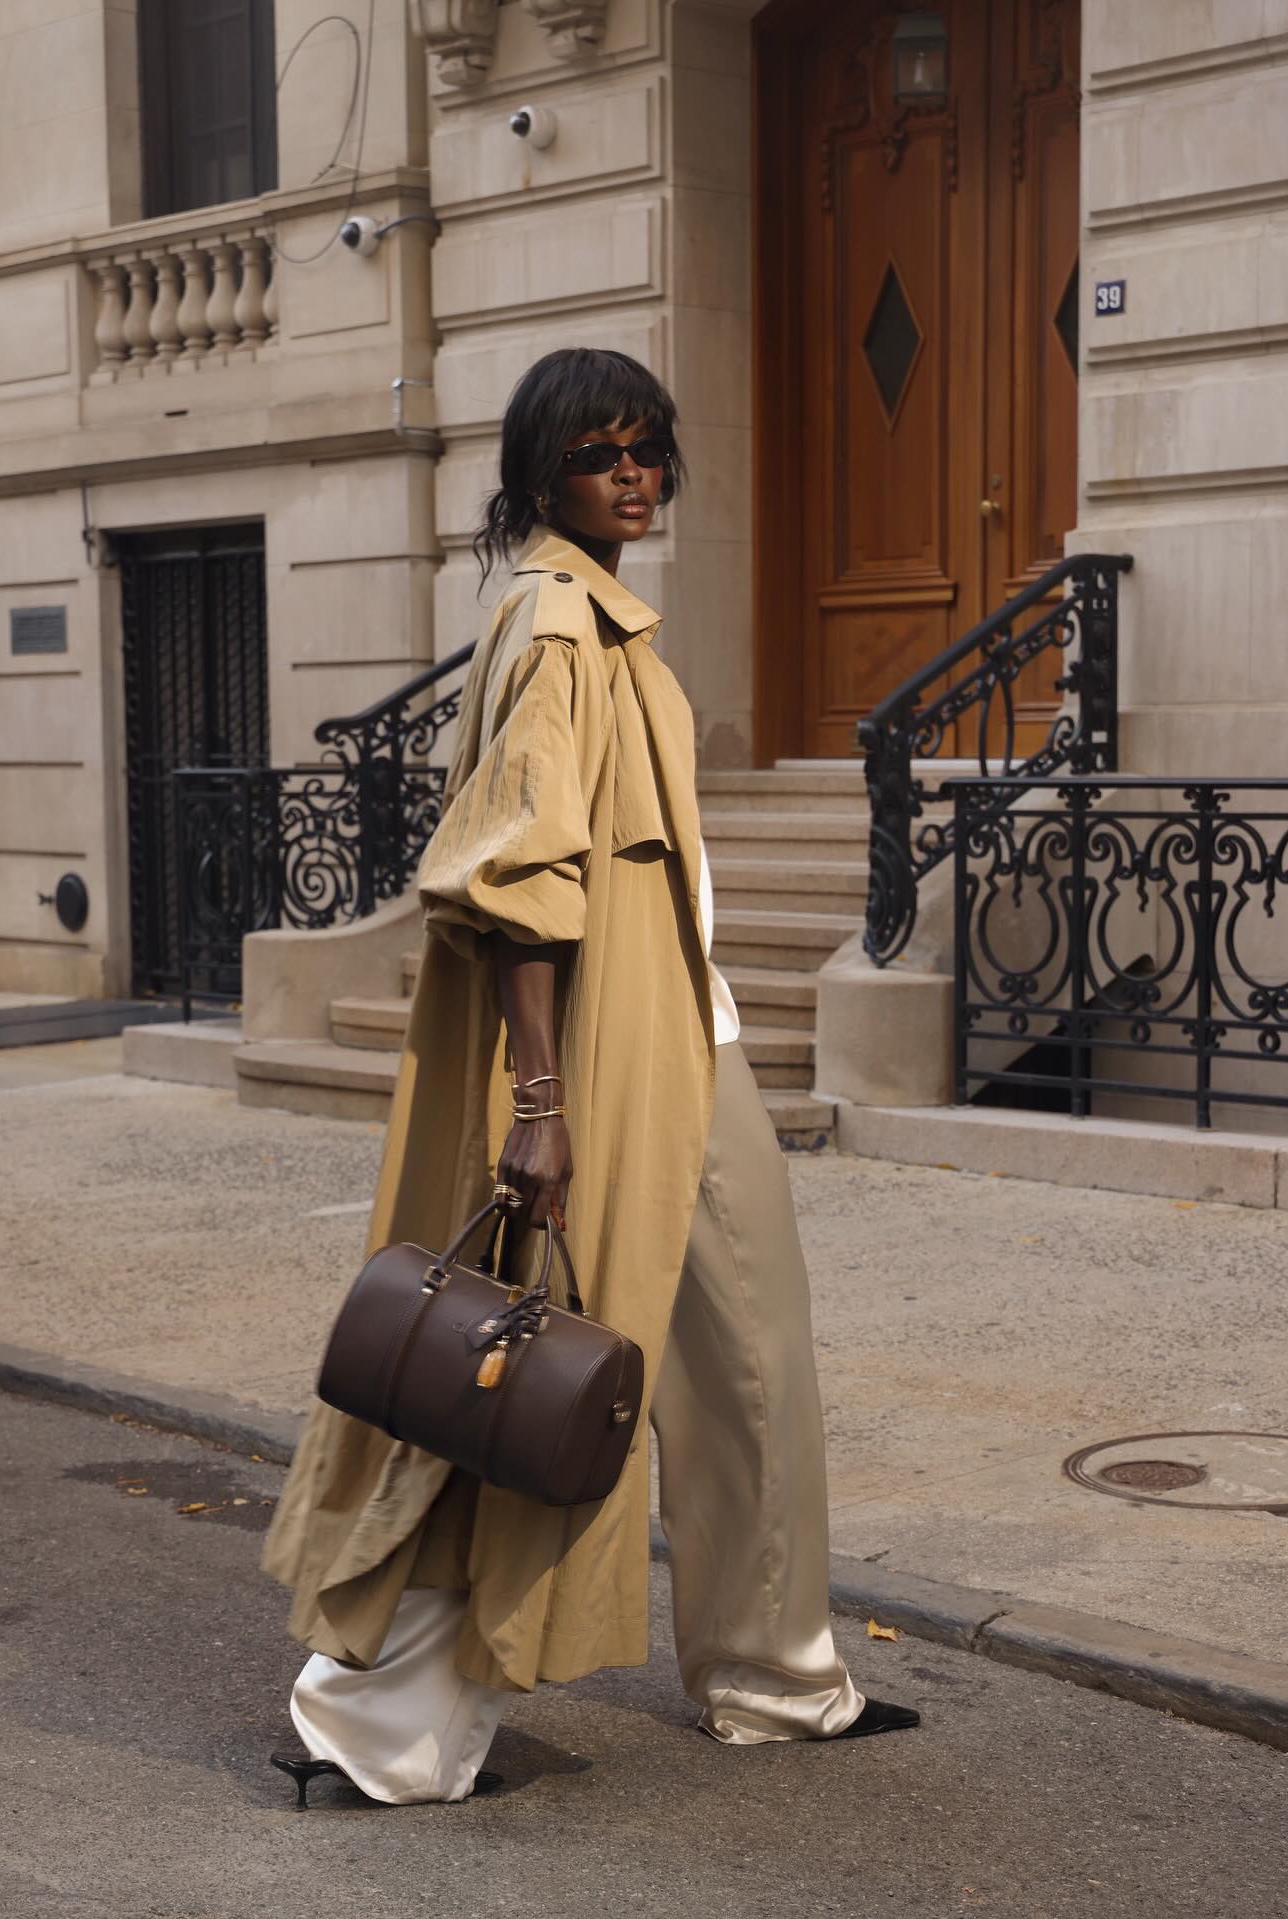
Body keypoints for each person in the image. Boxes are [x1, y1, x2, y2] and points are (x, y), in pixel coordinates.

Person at [262, 346, 919, 1808]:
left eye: (649, 451)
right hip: (614, 1057)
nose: (634, 476)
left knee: (727, 1358)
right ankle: (382, 1722)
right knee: (538, 1371)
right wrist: (545, 1107)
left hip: (682, 1029)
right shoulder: (561, 625)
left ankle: (773, 1674)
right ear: (541, 478)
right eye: (599, 457)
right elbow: (518, 887)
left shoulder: (589, 618)